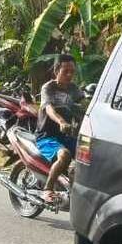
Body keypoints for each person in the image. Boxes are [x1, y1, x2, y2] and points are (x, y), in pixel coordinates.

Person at [35, 54, 82, 199]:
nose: (69, 75)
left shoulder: (74, 89)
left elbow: (84, 105)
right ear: (56, 71)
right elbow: (49, 109)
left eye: (72, 72)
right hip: (47, 136)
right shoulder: (48, 88)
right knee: (65, 155)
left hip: (66, 136)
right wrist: (61, 121)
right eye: (65, 71)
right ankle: (47, 189)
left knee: (90, 154)